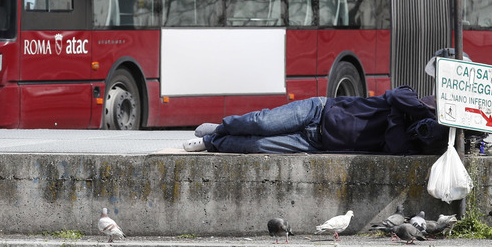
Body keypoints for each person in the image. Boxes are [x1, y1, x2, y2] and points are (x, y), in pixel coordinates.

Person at [183, 85, 448, 155]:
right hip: (319, 110)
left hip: (315, 142)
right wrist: (418, 113)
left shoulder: (410, 146)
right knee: (261, 123)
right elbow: (397, 94)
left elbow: (396, 143)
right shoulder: (409, 97)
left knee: (256, 146)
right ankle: (221, 127)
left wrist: (399, 117)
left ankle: (212, 143)